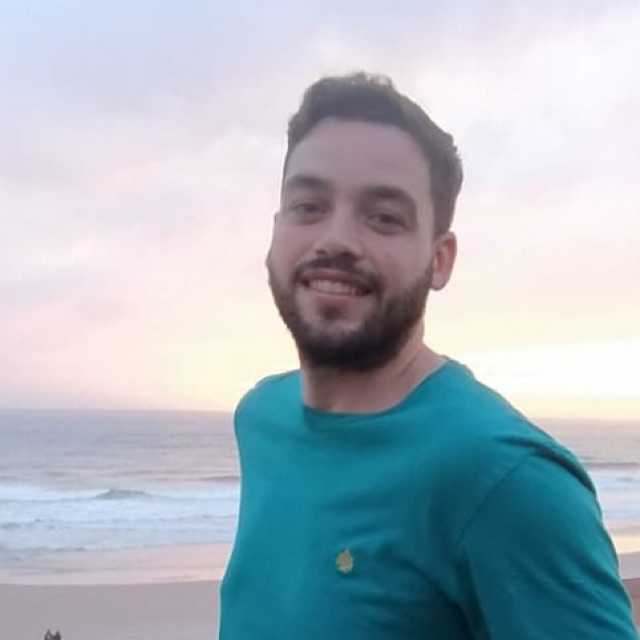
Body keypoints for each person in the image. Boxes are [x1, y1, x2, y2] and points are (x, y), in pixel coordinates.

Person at [218, 72, 638, 639]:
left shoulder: (509, 481)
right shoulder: (261, 416)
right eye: (308, 205)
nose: (335, 239)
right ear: (277, 228)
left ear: (440, 260)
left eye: (384, 217)